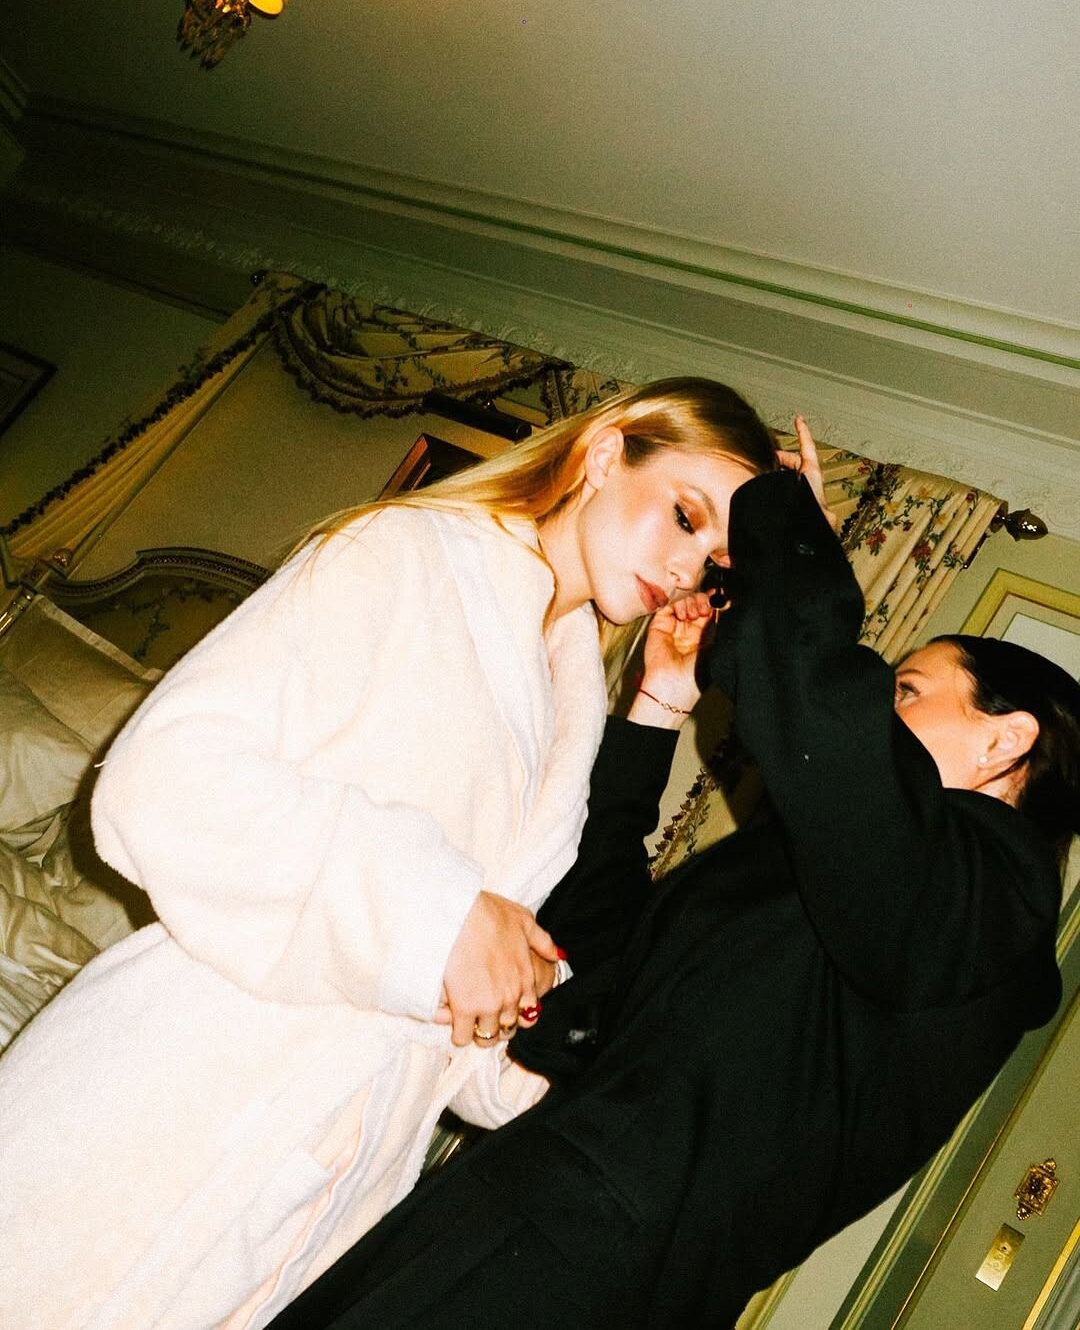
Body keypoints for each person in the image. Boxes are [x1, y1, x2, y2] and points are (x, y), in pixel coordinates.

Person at [0, 378, 779, 1330]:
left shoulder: (566, 705)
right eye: (686, 516)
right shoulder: (410, 554)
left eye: (718, 560)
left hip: (315, 1192)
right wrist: (436, 916)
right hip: (166, 1105)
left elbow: (470, 992)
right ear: (609, 452)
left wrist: (553, 1064)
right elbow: (160, 779)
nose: (690, 567)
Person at [267, 460, 1078, 1330]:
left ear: (1006, 741)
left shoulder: (993, 908)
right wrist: (658, 705)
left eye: (906, 691)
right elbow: (589, 951)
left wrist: (777, 520)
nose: (879, 702)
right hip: (532, 1206)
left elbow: (821, 706)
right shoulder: (853, 886)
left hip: (589, 1258)